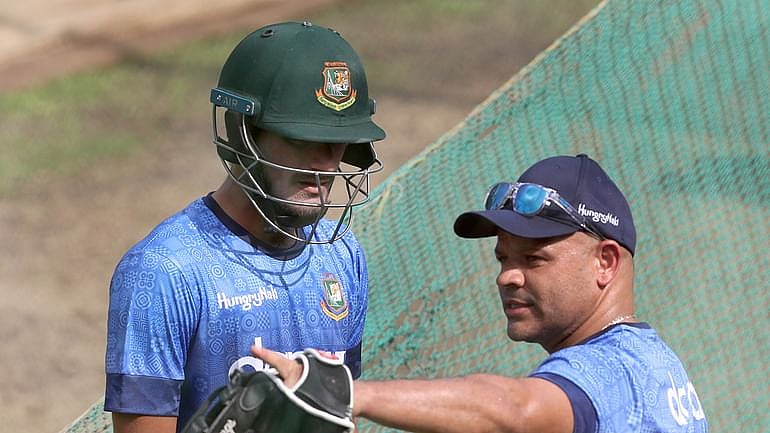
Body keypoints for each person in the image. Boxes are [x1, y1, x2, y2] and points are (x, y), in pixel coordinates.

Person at [254, 154, 709, 432]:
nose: (507, 277)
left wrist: (348, 393)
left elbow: (518, 410)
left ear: (605, 262)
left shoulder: (609, 371)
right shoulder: (651, 362)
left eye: (533, 260)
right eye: (503, 259)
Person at [104, 21, 386, 433]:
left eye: (340, 142)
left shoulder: (341, 254)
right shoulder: (163, 272)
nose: (327, 165)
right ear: (243, 134)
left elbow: (344, 413)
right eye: (302, 139)